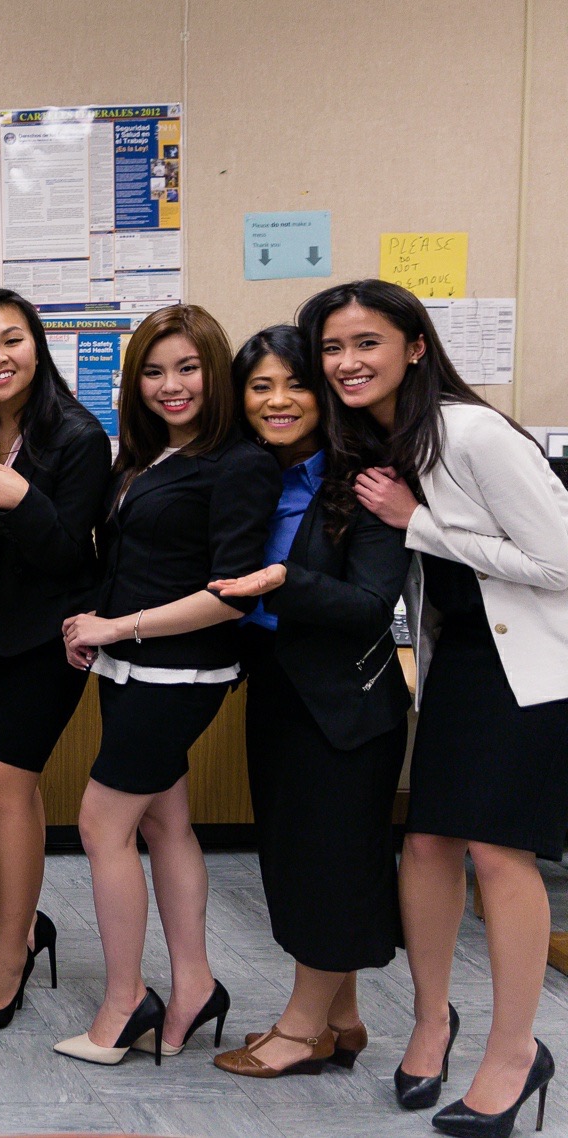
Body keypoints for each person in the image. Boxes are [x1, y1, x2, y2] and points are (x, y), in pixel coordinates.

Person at [305, 280, 568, 1133]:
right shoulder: (387, 438)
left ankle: (517, 1051)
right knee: (425, 845)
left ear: (416, 346)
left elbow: (562, 562)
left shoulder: (473, 431)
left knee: (498, 853)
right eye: (334, 349)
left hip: (532, 665)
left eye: (367, 344)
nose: (347, 363)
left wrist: (419, 523)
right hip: (460, 658)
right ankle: (431, 1020)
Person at [56, 303, 277, 1066]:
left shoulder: (239, 461)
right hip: (131, 666)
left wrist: (118, 628)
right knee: (164, 824)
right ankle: (194, 984)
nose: (170, 385)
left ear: (215, 371)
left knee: (99, 823)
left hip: (177, 671)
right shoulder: (145, 456)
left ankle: (125, 1003)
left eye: (187, 368)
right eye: (152, 371)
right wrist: (100, 619)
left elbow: (232, 592)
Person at [205, 324, 408, 1079]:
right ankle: (342, 1019)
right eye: (261, 387)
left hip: (347, 707)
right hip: (281, 693)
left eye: (295, 385)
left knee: (329, 868)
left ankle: (301, 1029)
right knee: (298, 864)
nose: (279, 401)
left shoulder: (362, 478)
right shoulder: (253, 473)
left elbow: (368, 604)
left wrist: (286, 582)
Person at [0, 289, 110, 1032]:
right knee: (11, 792)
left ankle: (8, 959)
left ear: (38, 346)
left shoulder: (76, 437)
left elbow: (74, 550)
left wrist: (23, 496)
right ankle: (28, 926)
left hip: (43, 637)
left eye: (11, 340)